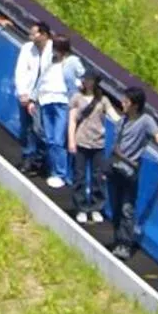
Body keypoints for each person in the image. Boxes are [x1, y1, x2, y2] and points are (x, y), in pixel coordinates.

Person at [108, 86, 158, 258]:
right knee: (115, 206)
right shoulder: (122, 122)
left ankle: (125, 244)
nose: (122, 103)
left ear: (135, 105)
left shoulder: (145, 121)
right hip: (114, 168)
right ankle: (117, 240)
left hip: (129, 171)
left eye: (126, 101)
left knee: (127, 208)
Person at [66, 70, 118, 223]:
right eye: (85, 79)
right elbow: (72, 120)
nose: (87, 82)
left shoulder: (103, 100)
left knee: (98, 177)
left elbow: (114, 116)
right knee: (79, 176)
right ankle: (81, 207)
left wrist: (124, 122)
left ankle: (96, 207)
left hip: (98, 143)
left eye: (90, 79)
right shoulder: (77, 98)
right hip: (81, 141)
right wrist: (71, 140)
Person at [35, 35, 83, 189]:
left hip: (62, 102)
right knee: (49, 139)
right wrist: (35, 97)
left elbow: (81, 77)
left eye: (56, 47)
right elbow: (42, 79)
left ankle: (61, 173)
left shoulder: (72, 61)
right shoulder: (51, 61)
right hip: (46, 100)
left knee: (58, 139)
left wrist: (76, 89)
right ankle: (53, 170)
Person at [13, 22, 54, 178]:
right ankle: (27, 157)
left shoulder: (53, 51)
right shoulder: (27, 49)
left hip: (44, 97)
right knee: (26, 128)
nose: (31, 36)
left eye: (34, 33)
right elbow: (20, 71)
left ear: (44, 35)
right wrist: (23, 93)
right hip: (27, 95)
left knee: (40, 130)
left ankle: (39, 160)